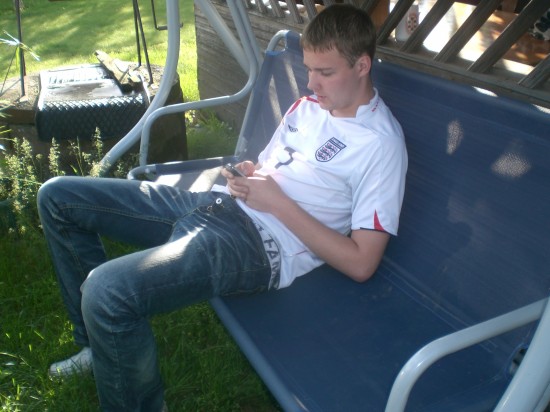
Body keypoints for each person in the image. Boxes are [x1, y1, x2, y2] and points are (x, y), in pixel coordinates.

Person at [37, 4, 407, 411]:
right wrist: (251, 174)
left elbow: (361, 262)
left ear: (362, 65)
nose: (311, 83)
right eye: (308, 69)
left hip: (257, 246)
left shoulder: (379, 144)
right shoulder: (308, 107)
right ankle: (96, 347)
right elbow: (271, 169)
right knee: (57, 196)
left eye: (325, 72)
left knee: (107, 291)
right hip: (217, 204)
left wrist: (277, 202)